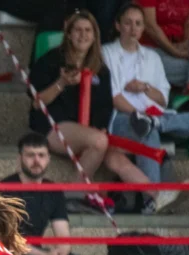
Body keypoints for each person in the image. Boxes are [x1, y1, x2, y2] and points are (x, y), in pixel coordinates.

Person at [29, 10, 158, 213]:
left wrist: (102, 129)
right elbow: (37, 103)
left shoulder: (100, 69)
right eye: (78, 30)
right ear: (68, 34)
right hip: (52, 128)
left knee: (114, 156)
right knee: (99, 141)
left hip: (88, 133)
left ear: (95, 35)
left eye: (88, 30)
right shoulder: (51, 60)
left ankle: (155, 195)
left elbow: (105, 107)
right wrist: (61, 83)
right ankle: (72, 195)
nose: (83, 35)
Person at [104, 4, 189, 212]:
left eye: (138, 24)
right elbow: (114, 97)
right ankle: (152, 200)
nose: (134, 29)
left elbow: (163, 98)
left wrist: (144, 87)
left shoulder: (153, 57)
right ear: (117, 25)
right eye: (128, 23)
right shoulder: (107, 53)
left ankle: (156, 123)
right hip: (122, 118)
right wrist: (138, 114)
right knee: (145, 128)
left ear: (143, 29)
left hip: (156, 116)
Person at [0, 133, 93, 255]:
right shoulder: (5, 189)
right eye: (30, 155)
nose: (36, 161)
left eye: (41, 155)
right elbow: (7, 240)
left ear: (48, 158)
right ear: (20, 159)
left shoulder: (52, 190)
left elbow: (63, 234)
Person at [139, 0, 189, 94]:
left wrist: (186, 43)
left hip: (179, 48)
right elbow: (150, 26)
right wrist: (175, 51)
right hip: (154, 50)